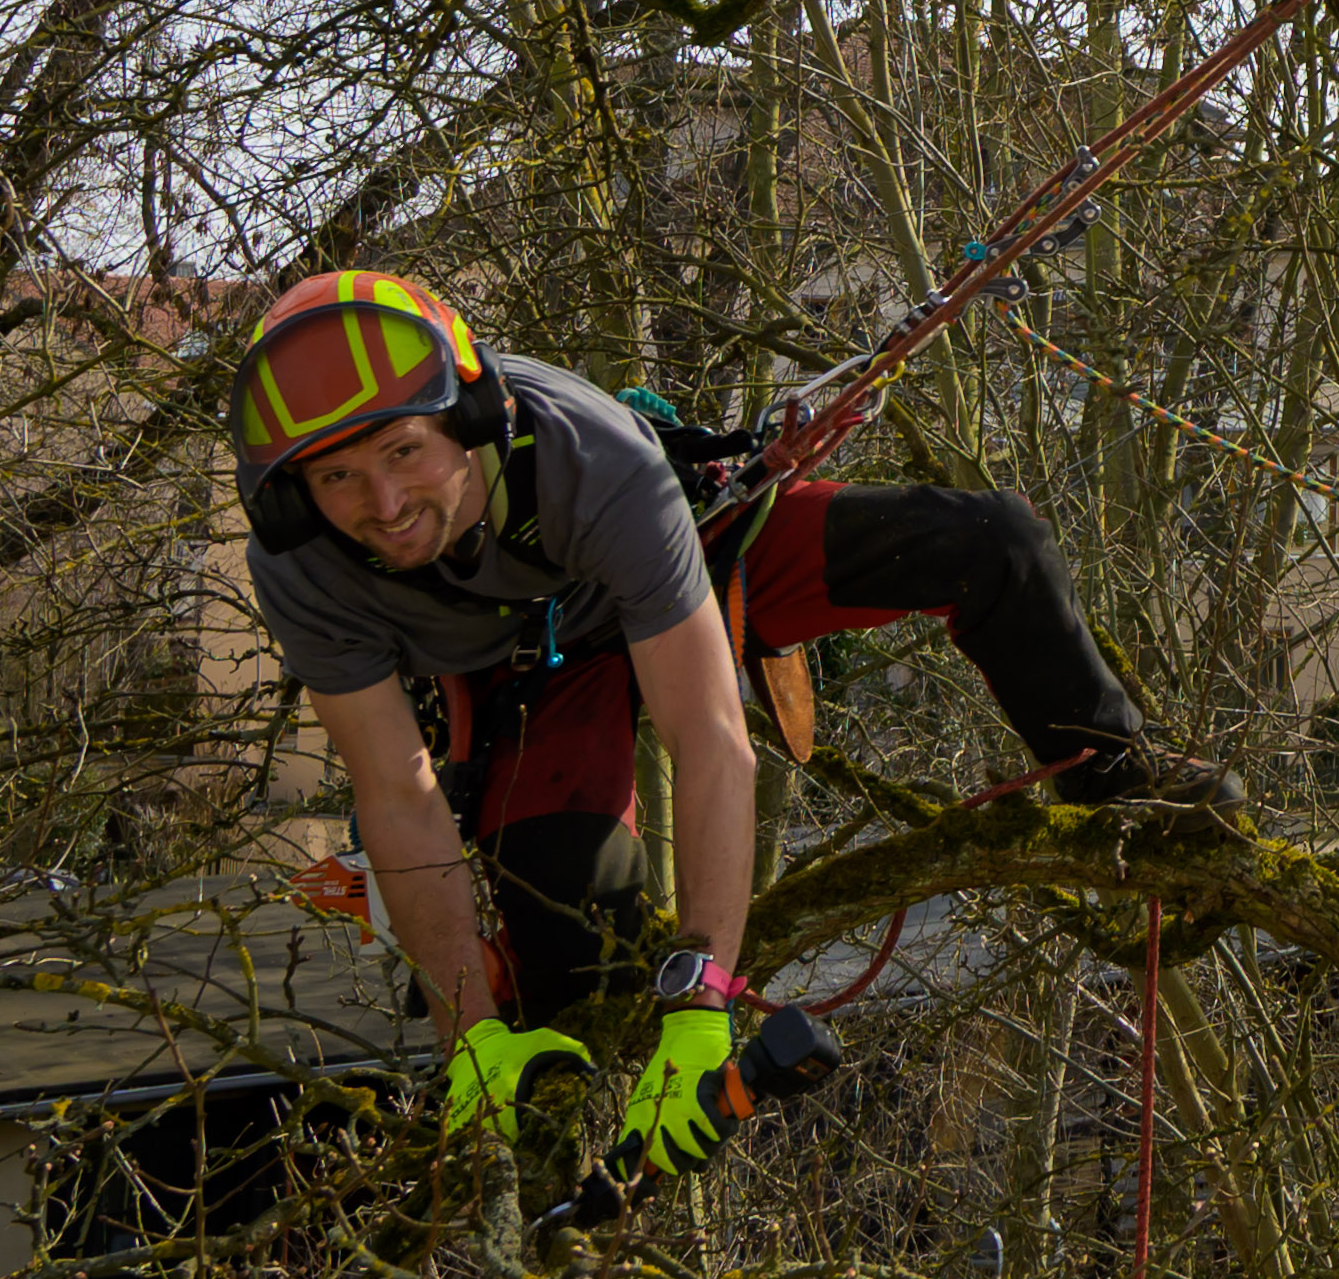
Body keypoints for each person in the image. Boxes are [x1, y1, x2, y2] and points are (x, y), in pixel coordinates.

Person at [232, 264, 1215, 1174]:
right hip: (524, 682)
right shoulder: (300, 564)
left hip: (682, 581)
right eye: (339, 479)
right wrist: (472, 1041)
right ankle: (539, 1112)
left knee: (990, 544)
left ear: (469, 418)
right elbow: (398, 795)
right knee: (578, 949)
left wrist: (703, 1001)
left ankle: (1119, 787)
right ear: (295, 495)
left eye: (404, 452)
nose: (386, 503)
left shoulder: (589, 456)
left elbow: (708, 734)